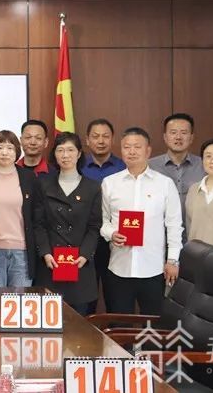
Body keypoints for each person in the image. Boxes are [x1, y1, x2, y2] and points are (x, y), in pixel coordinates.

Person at [101, 127, 183, 315]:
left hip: (153, 268)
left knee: (153, 323)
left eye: (137, 147)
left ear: (148, 151)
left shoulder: (164, 184)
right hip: (119, 267)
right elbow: (103, 221)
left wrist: (173, 260)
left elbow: (174, 226)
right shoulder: (110, 183)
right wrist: (111, 233)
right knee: (119, 323)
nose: (131, 151)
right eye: (126, 147)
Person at [36, 132, 102, 315]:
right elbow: (38, 224)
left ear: (79, 153)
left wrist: (85, 254)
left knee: (79, 321)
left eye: (70, 150)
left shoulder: (92, 187)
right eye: (60, 150)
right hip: (51, 263)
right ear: (54, 154)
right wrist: (45, 252)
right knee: (48, 320)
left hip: (79, 264)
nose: (65, 155)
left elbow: (94, 226)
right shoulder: (43, 184)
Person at [0, 130, 46, 287]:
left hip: (22, 252)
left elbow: (37, 216)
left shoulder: (29, 177)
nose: (4, 152)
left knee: (20, 299)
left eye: (10, 148)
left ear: (17, 151)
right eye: (0, 147)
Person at [81, 118, 126, 314]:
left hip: (115, 239)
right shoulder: (78, 166)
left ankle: (115, 332)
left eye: (105, 136)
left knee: (115, 294)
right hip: (84, 237)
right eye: (95, 136)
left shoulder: (123, 167)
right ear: (87, 140)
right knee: (86, 294)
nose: (101, 141)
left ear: (112, 139)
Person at [149, 113, 205, 228]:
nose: (178, 137)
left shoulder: (204, 165)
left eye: (184, 133)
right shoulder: (150, 166)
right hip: (160, 233)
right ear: (165, 137)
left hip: (195, 232)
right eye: (173, 132)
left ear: (191, 138)